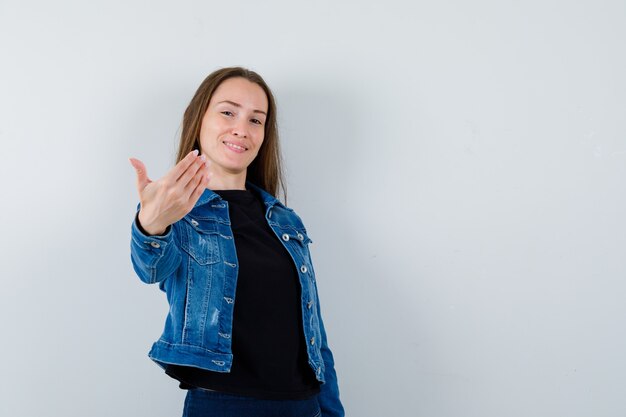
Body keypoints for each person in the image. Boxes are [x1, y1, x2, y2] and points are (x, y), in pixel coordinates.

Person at [129, 67, 344, 417]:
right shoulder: (176, 211)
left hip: (303, 406)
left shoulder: (285, 221)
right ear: (199, 118)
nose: (241, 129)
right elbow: (151, 268)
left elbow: (315, 335)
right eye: (228, 112)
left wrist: (331, 410)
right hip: (223, 405)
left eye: (256, 120)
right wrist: (151, 224)